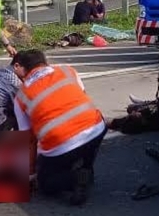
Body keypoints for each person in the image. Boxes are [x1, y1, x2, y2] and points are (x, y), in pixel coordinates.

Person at [12, 49, 107, 206]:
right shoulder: (68, 70)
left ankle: (76, 178)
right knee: (84, 146)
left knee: (46, 183)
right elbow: (82, 96)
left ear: (25, 71)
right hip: (96, 128)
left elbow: (29, 140)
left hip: (60, 146)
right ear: (45, 62)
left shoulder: (21, 96)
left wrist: (31, 173)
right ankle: (86, 168)